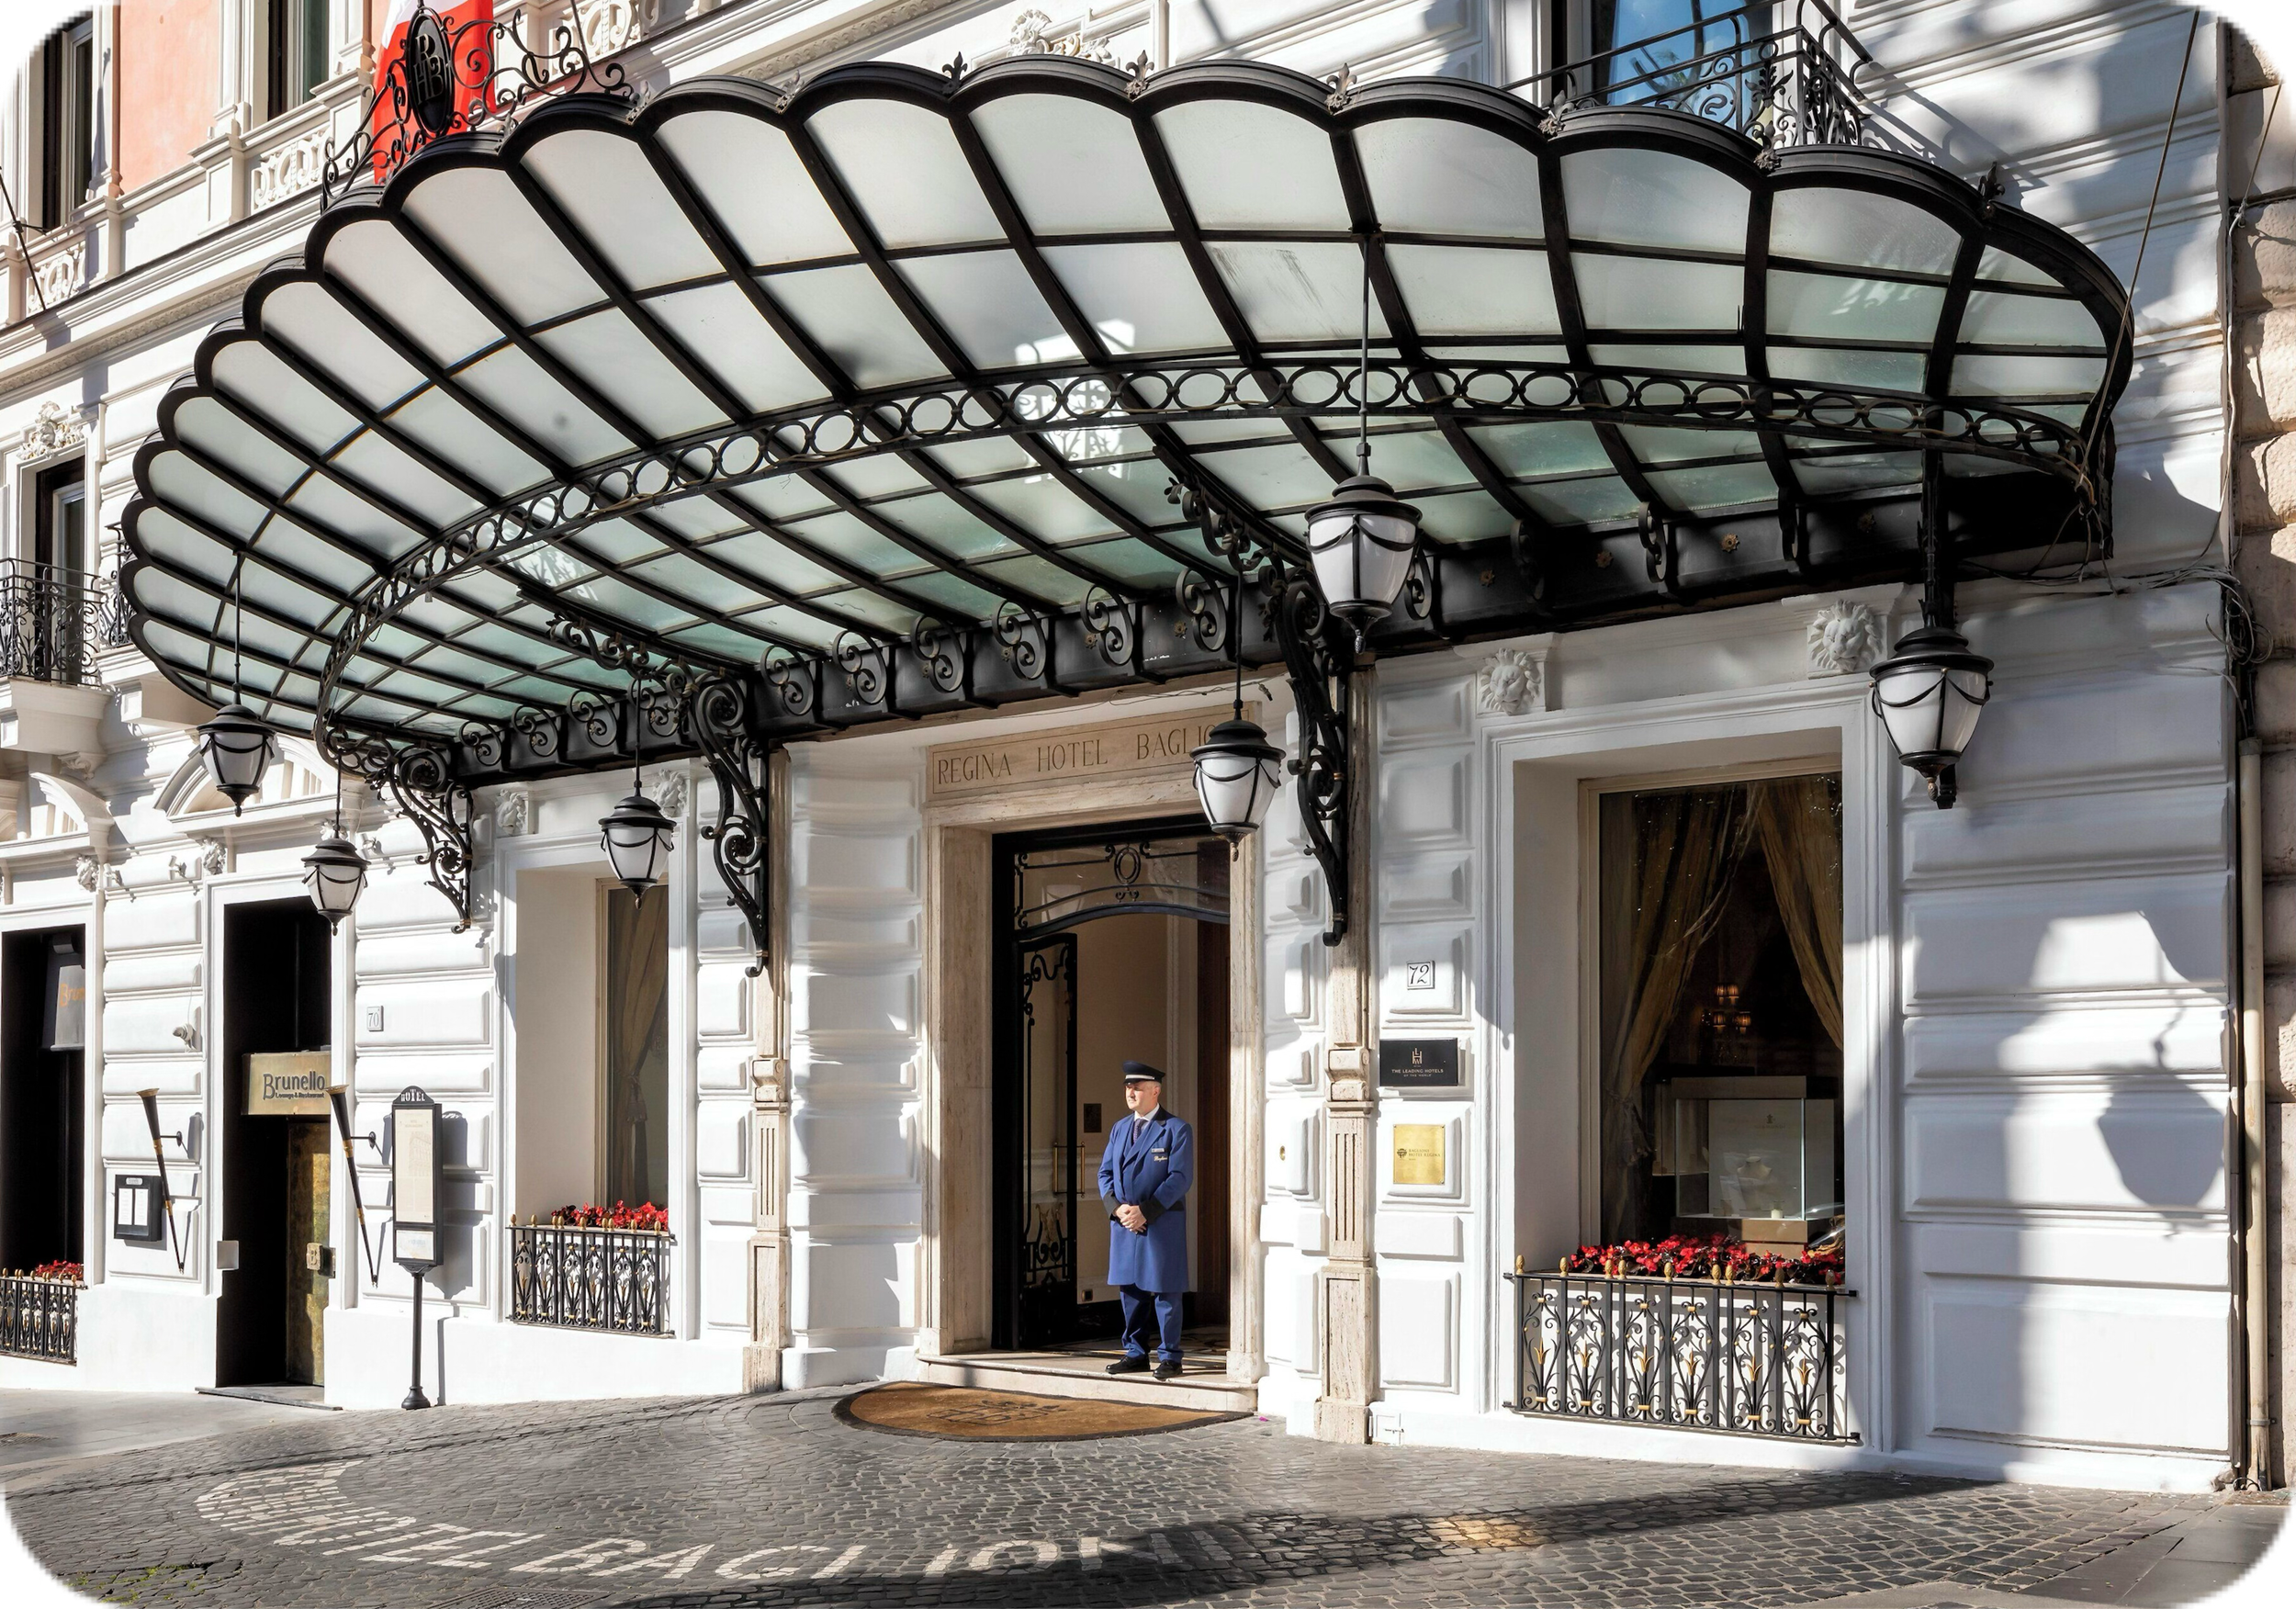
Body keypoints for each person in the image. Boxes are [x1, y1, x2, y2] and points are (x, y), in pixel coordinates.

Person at [1097, 1061, 1193, 1380]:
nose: (1130, 1092)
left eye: (1137, 1087)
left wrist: (1145, 1211)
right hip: (1125, 1223)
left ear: (1155, 1091)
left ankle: (1170, 1357)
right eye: (1128, 1087)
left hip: (1160, 1223)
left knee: (1166, 1291)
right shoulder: (1120, 1128)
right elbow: (1105, 1173)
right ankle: (1136, 1353)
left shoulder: (1176, 1129)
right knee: (1131, 1290)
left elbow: (1179, 1178)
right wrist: (1117, 1209)